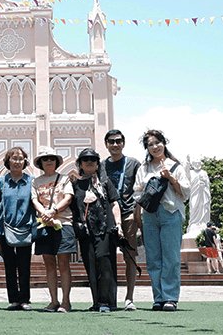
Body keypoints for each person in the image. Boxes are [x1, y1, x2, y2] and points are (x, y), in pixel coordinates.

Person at [133, 130, 190, 312]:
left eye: (157, 142)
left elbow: (186, 194)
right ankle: (158, 298)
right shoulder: (144, 168)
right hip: (149, 215)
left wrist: (171, 179)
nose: (155, 147)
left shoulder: (177, 166)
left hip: (171, 213)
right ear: (146, 148)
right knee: (153, 257)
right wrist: (137, 213)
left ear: (164, 143)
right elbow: (136, 192)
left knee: (171, 256)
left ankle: (170, 297)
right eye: (150, 144)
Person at [71, 149, 124, 312]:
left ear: (97, 163)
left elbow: (115, 203)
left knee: (105, 264)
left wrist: (119, 224)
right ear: (80, 164)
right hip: (86, 232)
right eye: (85, 159)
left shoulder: (105, 183)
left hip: (105, 230)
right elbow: (72, 209)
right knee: (91, 266)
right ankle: (96, 302)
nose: (89, 162)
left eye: (93, 160)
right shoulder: (75, 185)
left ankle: (106, 302)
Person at [100, 129, 141, 311]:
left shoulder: (133, 164)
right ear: (106, 144)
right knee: (107, 258)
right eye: (111, 141)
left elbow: (140, 190)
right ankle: (109, 299)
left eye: (118, 141)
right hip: (107, 217)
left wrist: (137, 215)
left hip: (128, 214)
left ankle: (129, 298)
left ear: (123, 143)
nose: (115, 144)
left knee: (129, 257)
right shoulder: (101, 166)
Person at [31, 146, 76, 313]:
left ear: (56, 161)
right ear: (41, 163)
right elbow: (34, 200)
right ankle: (53, 301)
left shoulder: (64, 179)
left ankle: (66, 301)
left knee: (63, 263)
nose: (48, 161)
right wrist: (44, 213)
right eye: (45, 159)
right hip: (44, 226)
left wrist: (53, 211)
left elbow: (68, 198)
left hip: (63, 224)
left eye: (51, 158)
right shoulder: (36, 182)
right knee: (49, 264)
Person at [0, 146, 35, 311]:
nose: (18, 162)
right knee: (9, 266)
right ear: (8, 161)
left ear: (25, 162)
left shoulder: (31, 181)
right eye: (14, 158)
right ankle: (14, 300)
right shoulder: (1, 182)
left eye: (21, 158)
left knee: (24, 266)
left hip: (25, 230)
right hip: (4, 230)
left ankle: (24, 300)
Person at [186, 156, 211, 236]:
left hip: (203, 194)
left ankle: (203, 222)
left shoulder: (204, 173)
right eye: (195, 163)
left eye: (198, 163)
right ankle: (194, 223)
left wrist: (204, 186)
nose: (197, 164)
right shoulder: (191, 172)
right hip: (194, 194)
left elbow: (208, 184)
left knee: (203, 208)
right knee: (193, 207)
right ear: (192, 164)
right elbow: (186, 177)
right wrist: (187, 164)